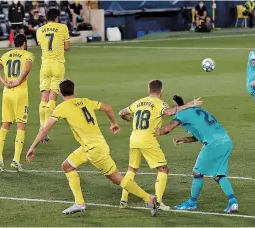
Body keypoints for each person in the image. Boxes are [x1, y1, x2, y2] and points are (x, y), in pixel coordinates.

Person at [26, 79, 158, 216]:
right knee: (67, 166)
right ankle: (79, 203)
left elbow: (44, 129)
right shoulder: (85, 101)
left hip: (95, 150)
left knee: (116, 178)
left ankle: (149, 198)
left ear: (59, 93)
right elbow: (107, 108)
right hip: (89, 146)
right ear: (74, 91)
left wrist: (32, 147)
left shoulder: (61, 108)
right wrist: (113, 123)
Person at [118, 80, 202, 211]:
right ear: (161, 91)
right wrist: (190, 105)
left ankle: (123, 200)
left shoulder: (139, 102)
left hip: (134, 139)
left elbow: (122, 113)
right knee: (163, 169)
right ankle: (157, 201)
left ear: (148, 89)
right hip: (148, 139)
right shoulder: (160, 103)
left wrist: (132, 120)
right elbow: (169, 112)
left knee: (132, 169)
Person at [155, 95, 239, 213]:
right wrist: (185, 139)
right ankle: (233, 202)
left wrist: (156, 131)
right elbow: (203, 132)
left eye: (172, 108)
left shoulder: (181, 114)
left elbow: (167, 129)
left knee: (197, 172)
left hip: (213, 144)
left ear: (177, 107)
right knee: (218, 175)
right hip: (225, 141)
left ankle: (191, 203)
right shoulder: (196, 110)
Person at [0, 34, 34, 171]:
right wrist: (18, 81)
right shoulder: (27, 54)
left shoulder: (6, 55)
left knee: (5, 125)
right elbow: (27, 68)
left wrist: (4, 82)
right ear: (24, 43)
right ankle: (16, 160)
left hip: (7, 92)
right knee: (21, 126)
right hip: (20, 93)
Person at [36, 8, 70, 142]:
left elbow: (42, 45)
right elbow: (67, 47)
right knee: (52, 98)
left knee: (43, 97)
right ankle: (45, 130)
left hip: (45, 65)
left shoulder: (40, 30)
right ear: (57, 17)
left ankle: (41, 127)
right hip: (57, 64)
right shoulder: (63, 27)